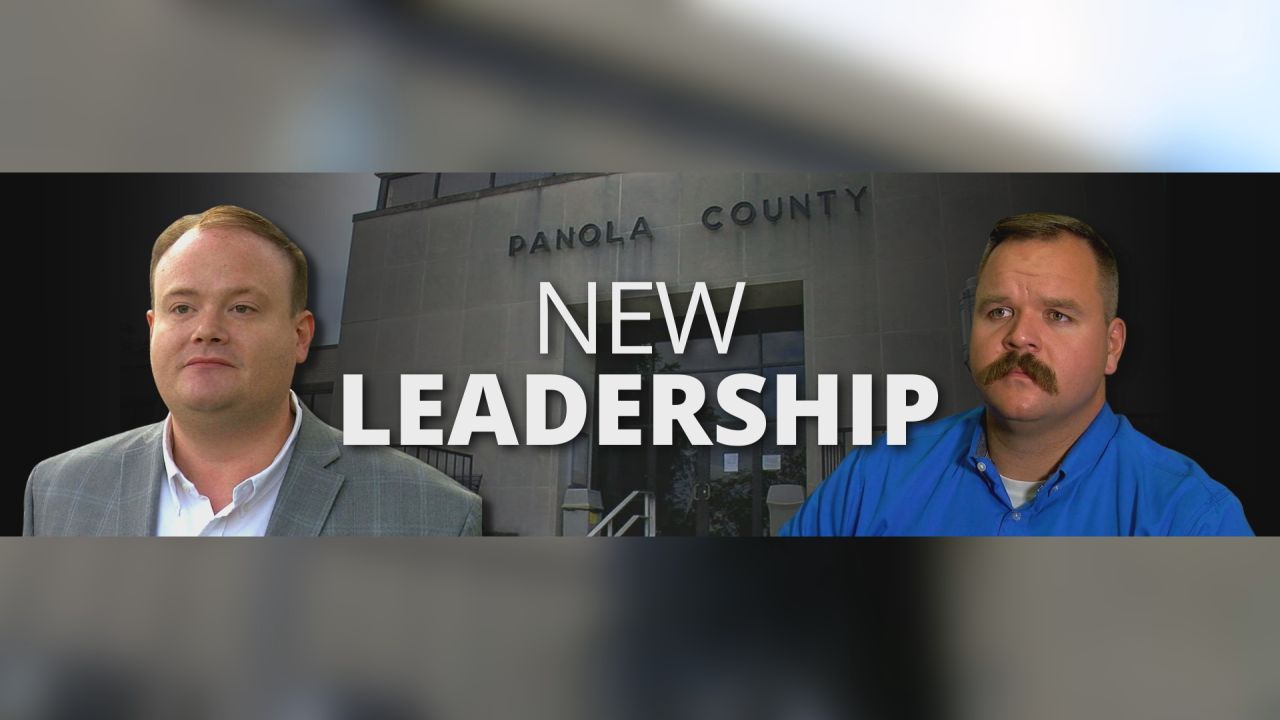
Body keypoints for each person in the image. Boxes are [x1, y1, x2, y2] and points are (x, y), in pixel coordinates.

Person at [781, 212, 1252, 536]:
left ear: (1112, 346)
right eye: (999, 310)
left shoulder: (1189, 516)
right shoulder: (875, 477)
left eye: (1058, 316)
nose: (1020, 336)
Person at [24, 205, 481, 536]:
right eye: (181, 307)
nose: (207, 330)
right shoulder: (59, 490)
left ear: (300, 336)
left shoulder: (431, 515)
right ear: (152, 329)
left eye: (242, 307)